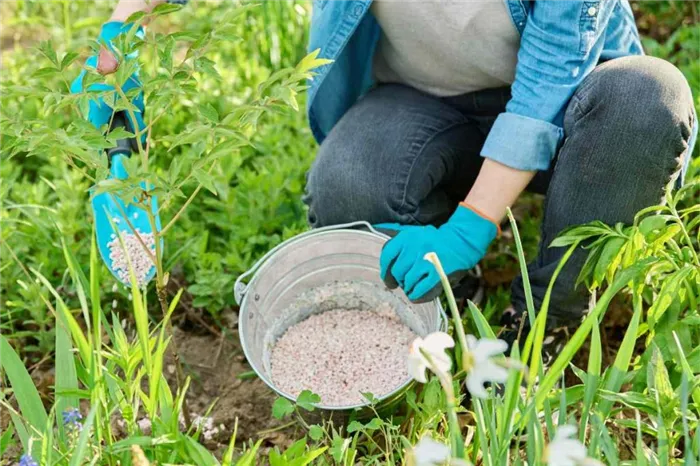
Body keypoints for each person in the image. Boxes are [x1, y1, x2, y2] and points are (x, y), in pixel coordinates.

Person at [84, 0, 696, 352]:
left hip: (573, 107)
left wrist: (470, 226)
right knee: (350, 183)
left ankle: (550, 323)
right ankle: (454, 304)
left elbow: (547, 86)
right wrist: (124, 29)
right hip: (427, 97)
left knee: (648, 101)